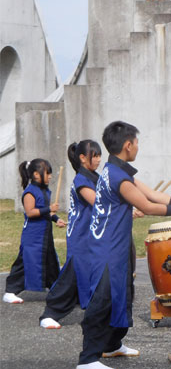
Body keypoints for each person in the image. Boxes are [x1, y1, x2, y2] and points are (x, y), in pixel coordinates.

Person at [76, 121, 171, 369]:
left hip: (116, 245)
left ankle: (112, 345)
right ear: (128, 144)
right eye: (136, 142)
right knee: (103, 299)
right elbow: (147, 207)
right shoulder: (117, 176)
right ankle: (87, 357)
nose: (137, 146)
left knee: (123, 295)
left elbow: (154, 195)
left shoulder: (117, 170)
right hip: (106, 248)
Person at [39, 140, 102, 329]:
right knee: (74, 274)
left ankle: (94, 312)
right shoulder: (82, 180)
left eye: (99, 155)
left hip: (91, 234)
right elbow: (99, 203)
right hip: (81, 235)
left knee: (91, 274)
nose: (99, 159)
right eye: (95, 155)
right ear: (83, 158)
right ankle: (50, 313)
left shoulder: (94, 177)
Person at [3, 159, 66, 304]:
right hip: (33, 236)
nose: (50, 176)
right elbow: (30, 212)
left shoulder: (44, 190)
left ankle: (58, 290)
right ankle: (10, 291)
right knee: (26, 262)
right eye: (47, 173)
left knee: (50, 261)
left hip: (44, 235)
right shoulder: (29, 192)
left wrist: (56, 219)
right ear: (36, 174)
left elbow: (44, 213)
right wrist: (49, 209)